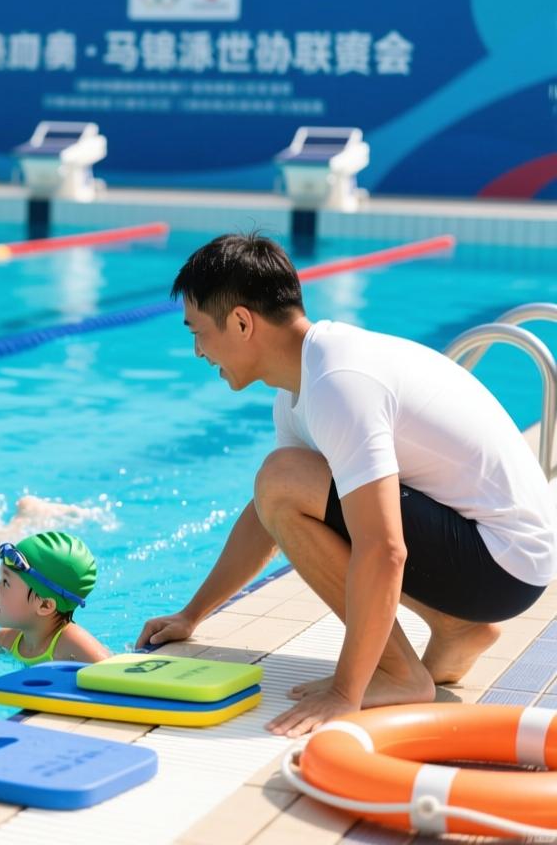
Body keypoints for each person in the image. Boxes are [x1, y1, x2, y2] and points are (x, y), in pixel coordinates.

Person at [135, 232, 556, 737]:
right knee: (282, 483)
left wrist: (344, 692)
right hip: (502, 559)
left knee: (283, 478)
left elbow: (385, 549)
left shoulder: (338, 381)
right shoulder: (307, 380)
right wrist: (191, 614)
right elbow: (266, 515)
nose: (199, 351)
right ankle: (457, 627)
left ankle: (399, 674)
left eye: (198, 332)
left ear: (242, 322)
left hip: (502, 561)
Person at [0, 531, 110, 664]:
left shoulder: (75, 646)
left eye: (5, 583)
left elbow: (115, 675)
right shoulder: (4, 641)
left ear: (44, 605)